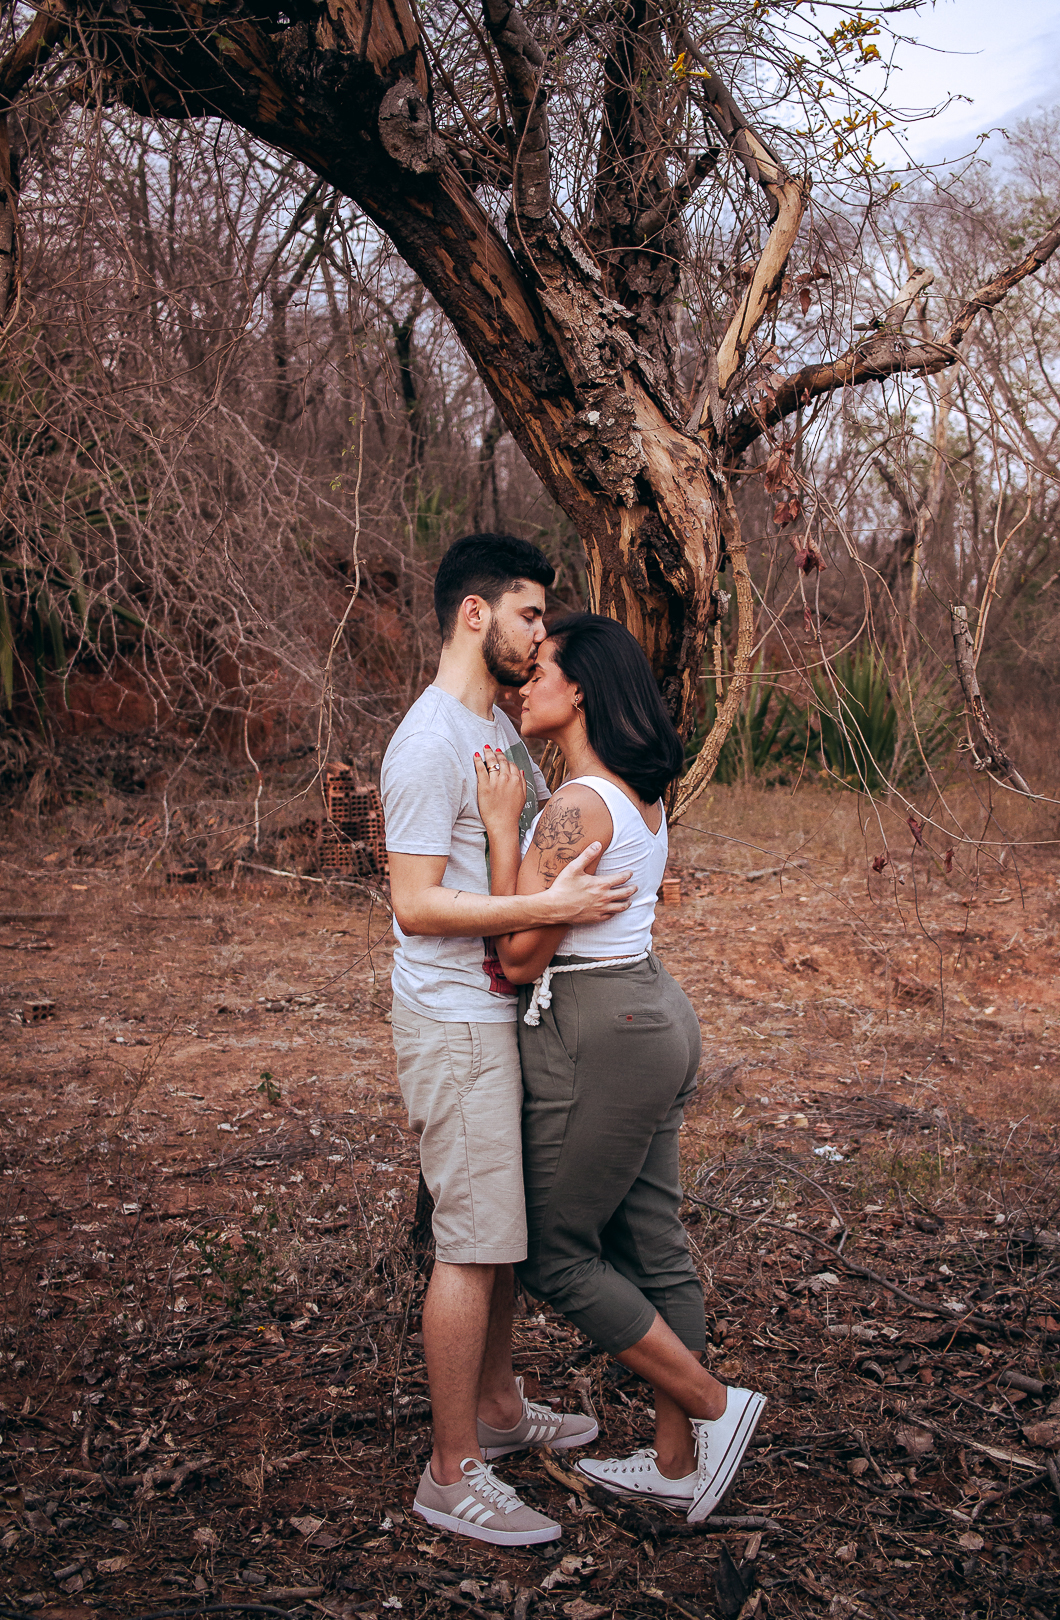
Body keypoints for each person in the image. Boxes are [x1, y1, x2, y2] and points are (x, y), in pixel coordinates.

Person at [474, 613, 766, 1524]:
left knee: (556, 1255)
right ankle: (678, 1464)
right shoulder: (639, 794)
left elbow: (518, 953)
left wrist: (497, 825)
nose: (526, 682)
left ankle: (719, 1410)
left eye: (544, 668)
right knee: (654, 1242)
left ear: (583, 689)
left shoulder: (575, 804)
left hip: (602, 1028)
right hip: (655, 1013)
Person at [381, 536, 638, 1548]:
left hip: (498, 1014)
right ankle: (451, 1472)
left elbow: (509, 868)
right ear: (475, 615)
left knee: (502, 1235)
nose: (543, 636)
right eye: (532, 615)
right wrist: (548, 901)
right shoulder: (431, 740)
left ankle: (495, 1411)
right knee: (473, 1241)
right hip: (452, 1022)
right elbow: (411, 902)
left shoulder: (493, 727)